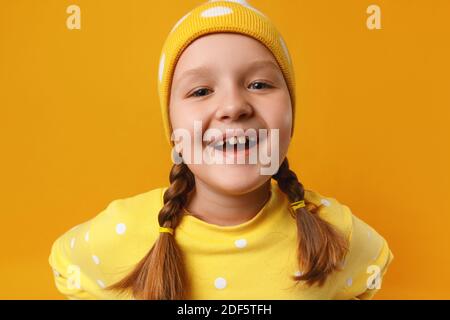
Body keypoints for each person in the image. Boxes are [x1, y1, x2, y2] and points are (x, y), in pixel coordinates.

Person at [49, 0, 394, 300]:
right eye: (200, 91)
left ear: (290, 114)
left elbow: (368, 278)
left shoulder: (336, 232)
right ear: (174, 133)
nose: (233, 106)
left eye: (259, 84)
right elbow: (68, 272)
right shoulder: (120, 232)